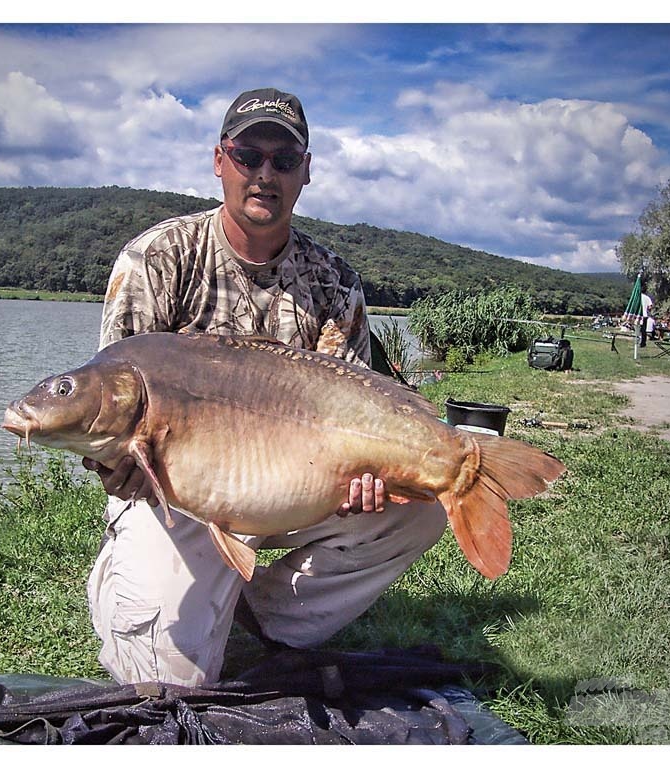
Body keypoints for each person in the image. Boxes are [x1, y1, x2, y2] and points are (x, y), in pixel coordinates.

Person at [82, 88, 448, 687]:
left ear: (306, 171)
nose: (264, 174)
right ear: (220, 160)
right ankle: (155, 593)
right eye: (248, 154)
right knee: (166, 687)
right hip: (180, 498)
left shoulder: (332, 282)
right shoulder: (159, 259)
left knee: (422, 509)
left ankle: (265, 615)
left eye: (283, 160)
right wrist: (117, 462)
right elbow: (115, 414)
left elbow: (358, 405)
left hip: (297, 486)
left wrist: (369, 479)